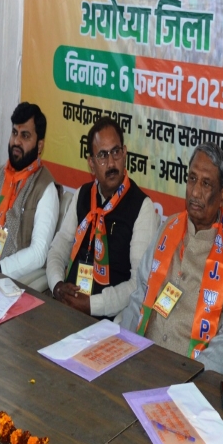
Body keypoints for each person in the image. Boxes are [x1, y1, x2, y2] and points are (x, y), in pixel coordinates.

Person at [120, 143, 223, 375]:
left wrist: (191, 373)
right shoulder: (168, 228)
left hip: (189, 378)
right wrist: (124, 344)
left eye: (206, 184)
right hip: (140, 359)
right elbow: (139, 294)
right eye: (192, 179)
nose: (195, 192)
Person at [47, 117, 158, 318]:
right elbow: (59, 246)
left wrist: (91, 305)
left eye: (116, 152)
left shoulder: (142, 207)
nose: (111, 163)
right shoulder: (83, 194)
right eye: (102, 156)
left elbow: (138, 283)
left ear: (125, 154)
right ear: (91, 164)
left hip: (105, 318)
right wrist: (57, 286)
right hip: (66, 304)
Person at [0, 103, 58, 280]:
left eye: (25, 136)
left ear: (39, 146)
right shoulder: (0, 174)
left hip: (8, 281)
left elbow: (39, 252)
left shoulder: (45, 188)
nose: (16, 141)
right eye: (14, 133)